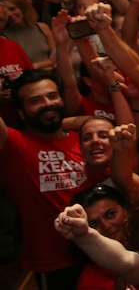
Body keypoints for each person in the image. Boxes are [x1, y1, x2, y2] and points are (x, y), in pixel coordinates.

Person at [0, 70, 89, 289]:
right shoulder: (14, 145)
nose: (47, 104)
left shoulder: (86, 140)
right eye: (36, 101)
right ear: (21, 113)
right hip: (55, 263)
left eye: (52, 96)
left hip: (102, 251)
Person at [53, 184, 139, 290]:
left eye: (110, 214)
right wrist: (84, 236)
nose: (106, 227)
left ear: (127, 210)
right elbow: (126, 261)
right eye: (94, 223)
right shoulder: (91, 281)